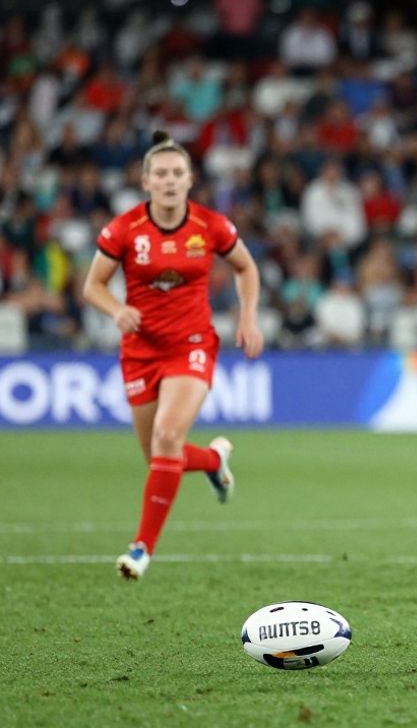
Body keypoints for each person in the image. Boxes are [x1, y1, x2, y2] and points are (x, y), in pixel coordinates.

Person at [82, 132, 264, 580]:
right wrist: (117, 309)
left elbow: (245, 266)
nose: (168, 181)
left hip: (192, 345)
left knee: (166, 436)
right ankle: (214, 459)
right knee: (161, 458)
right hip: (141, 351)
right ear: (145, 181)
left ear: (190, 180)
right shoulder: (123, 229)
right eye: (160, 173)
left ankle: (141, 548)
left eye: (177, 173)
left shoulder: (210, 226)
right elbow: (93, 286)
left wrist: (248, 317)